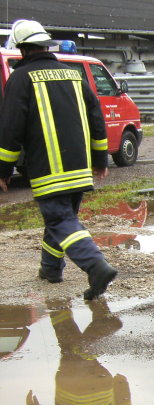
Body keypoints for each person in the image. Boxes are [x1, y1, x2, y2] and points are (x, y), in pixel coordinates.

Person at [0, 20, 117, 300]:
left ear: (22, 49)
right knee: (63, 219)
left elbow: (11, 129)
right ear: (45, 45)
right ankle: (51, 269)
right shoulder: (73, 75)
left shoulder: (21, 78)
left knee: (60, 220)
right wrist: (100, 158)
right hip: (80, 166)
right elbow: (96, 118)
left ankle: (95, 265)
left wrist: (4, 170)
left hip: (48, 168)